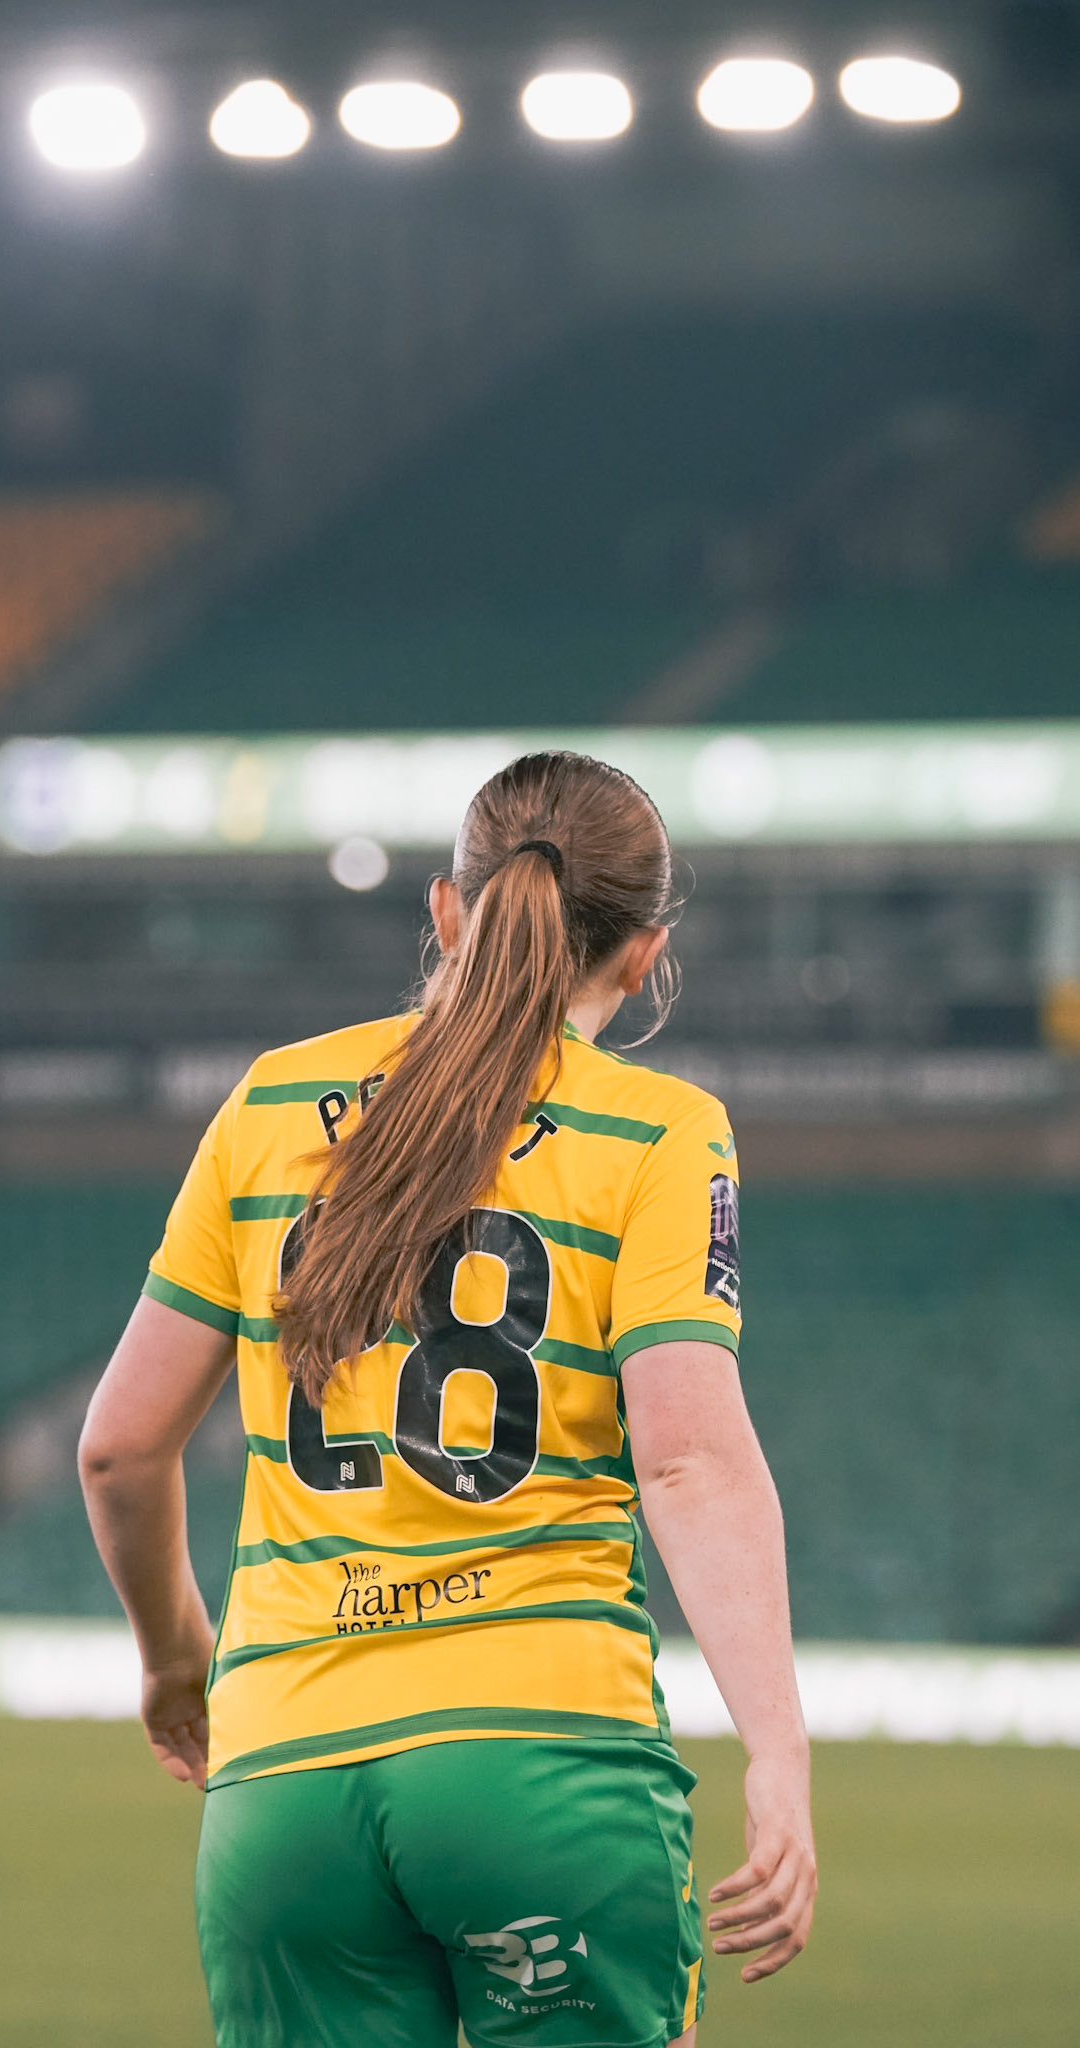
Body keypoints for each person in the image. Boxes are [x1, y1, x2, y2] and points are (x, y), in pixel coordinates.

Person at [79, 750, 816, 2048]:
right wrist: (778, 1750)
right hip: (541, 1759)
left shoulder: (270, 1105)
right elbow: (689, 1464)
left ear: (445, 910)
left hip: (284, 1786)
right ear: (645, 952)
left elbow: (120, 1451)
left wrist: (175, 1661)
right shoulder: (659, 1133)